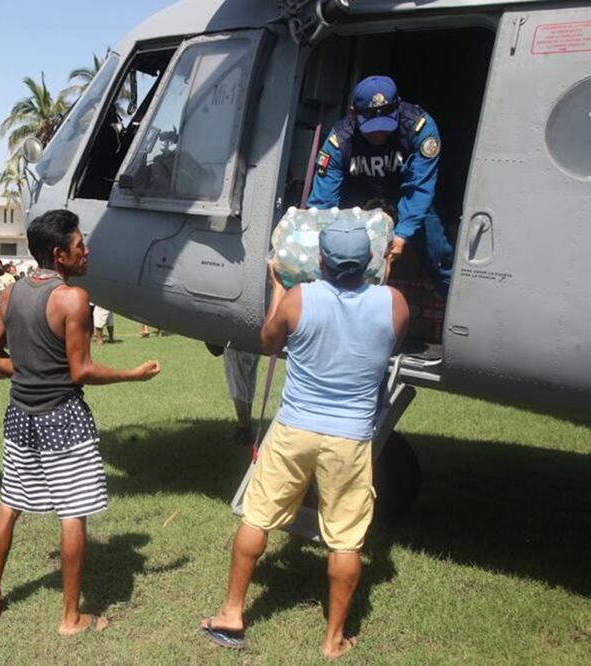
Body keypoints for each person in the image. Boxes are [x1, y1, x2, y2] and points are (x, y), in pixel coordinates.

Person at [200, 217, 408, 659]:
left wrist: (278, 289)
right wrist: (383, 274)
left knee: (257, 518)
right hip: (349, 439)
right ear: (371, 259)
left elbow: (269, 339)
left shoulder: (298, 298)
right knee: (346, 539)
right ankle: (333, 641)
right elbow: (384, 330)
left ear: (320, 260)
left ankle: (232, 614)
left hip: (295, 429)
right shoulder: (394, 303)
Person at [0, 209, 160, 634]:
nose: (87, 251)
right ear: (59, 254)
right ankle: (70, 617)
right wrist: (133, 374)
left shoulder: (10, 294)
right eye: (80, 246)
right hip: (63, 418)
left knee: (10, 504)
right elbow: (81, 372)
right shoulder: (72, 298)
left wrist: (25, 374)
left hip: (19, 415)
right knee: (74, 514)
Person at [308, 75, 453, 297]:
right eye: (371, 127)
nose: (379, 133)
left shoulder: (419, 128)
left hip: (410, 193)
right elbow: (323, 203)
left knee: (437, 252)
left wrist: (403, 233)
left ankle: (446, 293)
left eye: (385, 125)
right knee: (343, 252)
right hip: (361, 197)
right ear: (353, 113)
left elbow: (420, 186)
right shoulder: (339, 141)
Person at [224, 348, 259, 446]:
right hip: (254, 344)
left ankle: (244, 430)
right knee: (247, 386)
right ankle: (246, 426)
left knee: (238, 387)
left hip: (237, 345)